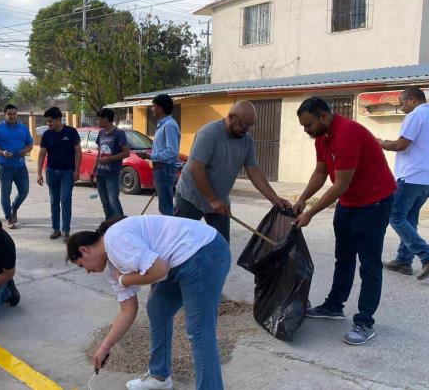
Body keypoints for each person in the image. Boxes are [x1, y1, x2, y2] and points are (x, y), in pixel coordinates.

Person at [66, 215, 231, 390]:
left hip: (204, 251)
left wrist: (124, 280)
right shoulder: (113, 268)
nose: (86, 271)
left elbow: (158, 270)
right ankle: (159, 376)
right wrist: (104, 348)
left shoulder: (114, 239)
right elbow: (127, 311)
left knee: (198, 329)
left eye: (81, 265)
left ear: (84, 250)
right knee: (157, 308)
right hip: (178, 262)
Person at [293, 97, 396, 345]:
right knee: (344, 257)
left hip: (374, 203)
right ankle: (334, 306)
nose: (306, 130)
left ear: (323, 116)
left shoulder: (347, 134)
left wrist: (310, 213)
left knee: (369, 265)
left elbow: (340, 184)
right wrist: (303, 200)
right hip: (349, 203)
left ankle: (364, 322)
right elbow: (320, 172)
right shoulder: (322, 136)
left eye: (308, 125)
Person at [175, 101, 290, 242]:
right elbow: (196, 168)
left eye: (250, 126)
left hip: (220, 202)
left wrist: (274, 198)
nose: (247, 129)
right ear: (231, 117)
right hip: (190, 198)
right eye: (244, 125)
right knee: (180, 243)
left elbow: (253, 170)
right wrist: (212, 200)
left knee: (221, 246)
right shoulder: (209, 133)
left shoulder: (246, 140)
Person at [378, 87, 429, 281]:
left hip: (411, 176)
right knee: (410, 218)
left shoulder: (416, 116)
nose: (402, 107)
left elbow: (401, 145)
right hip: (426, 179)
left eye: (402, 103)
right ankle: (403, 261)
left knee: (395, 216)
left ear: (412, 100)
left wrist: (380, 143)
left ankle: (426, 254)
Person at [37, 106, 81, 240]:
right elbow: (42, 154)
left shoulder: (71, 132)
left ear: (58, 119)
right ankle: (56, 229)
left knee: (65, 199)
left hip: (68, 172)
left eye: (50, 121)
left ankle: (66, 231)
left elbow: (78, 152)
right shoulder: (47, 134)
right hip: (51, 172)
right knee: (54, 201)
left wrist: (77, 170)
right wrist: (39, 173)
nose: (48, 124)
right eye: (47, 121)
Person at [0, 104, 34, 229]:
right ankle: (9, 218)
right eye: (9, 114)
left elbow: (30, 144)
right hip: (5, 166)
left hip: (20, 166)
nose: (12, 116)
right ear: (5, 114)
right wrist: (2, 152)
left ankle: (14, 207)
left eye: (14, 113)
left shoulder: (23, 128)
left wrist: (26, 150)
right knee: (5, 193)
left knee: (24, 191)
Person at [136, 94, 181, 216]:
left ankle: (170, 233)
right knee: (165, 206)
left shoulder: (169, 125)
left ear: (160, 108)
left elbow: (172, 152)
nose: (152, 109)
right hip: (160, 169)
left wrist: (151, 156)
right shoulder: (163, 124)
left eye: (153, 106)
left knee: (166, 208)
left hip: (165, 169)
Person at [95, 108, 129, 220]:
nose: (97, 122)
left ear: (106, 119)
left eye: (99, 119)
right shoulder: (101, 133)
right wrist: (94, 169)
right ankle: (109, 225)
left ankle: (122, 224)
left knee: (113, 202)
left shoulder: (119, 133)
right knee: (105, 203)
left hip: (112, 174)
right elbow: (99, 152)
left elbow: (126, 153)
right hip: (100, 174)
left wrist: (110, 159)